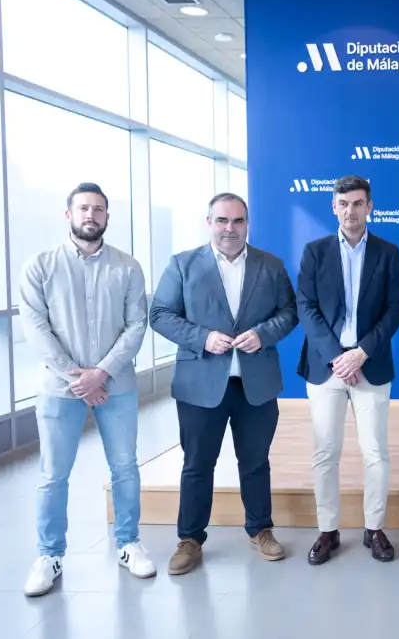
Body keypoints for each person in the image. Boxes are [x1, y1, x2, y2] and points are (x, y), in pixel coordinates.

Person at [150, 192, 298, 575]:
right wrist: (202, 338)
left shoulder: (271, 265)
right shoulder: (183, 264)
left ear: (247, 224)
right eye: (222, 220)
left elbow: (289, 312)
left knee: (255, 462)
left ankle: (261, 530)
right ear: (209, 223)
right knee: (197, 464)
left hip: (255, 384)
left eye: (237, 221)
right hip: (200, 384)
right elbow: (160, 314)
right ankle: (189, 540)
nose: (230, 228)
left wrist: (263, 334)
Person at [19, 182, 152, 596]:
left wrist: (102, 373)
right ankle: (49, 555)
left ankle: (129, 543)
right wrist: (79, 378)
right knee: (53, 474)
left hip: (116, 385)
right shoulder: (40, 266)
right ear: (69, 214)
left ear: (107, 216)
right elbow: (35, 328)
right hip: (60, 390)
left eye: (98, 209)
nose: (91, 215)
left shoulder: (127, 267)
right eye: (83, 208)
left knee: (125, 467)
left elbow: (136, 325)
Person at [296, 175, 399, 565]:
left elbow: (395, 309)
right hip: (326, 368)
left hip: (370, 364)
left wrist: (360, 353)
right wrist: (337, 357)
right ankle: (327, 530)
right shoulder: (315, 252)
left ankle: (374, 528)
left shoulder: (388, 252)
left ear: (369, 206)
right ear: (334, 207)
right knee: (325, 451)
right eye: (343, 204)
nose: (350, 211)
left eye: (358, 203)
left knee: (375, 451)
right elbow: (306, 307)